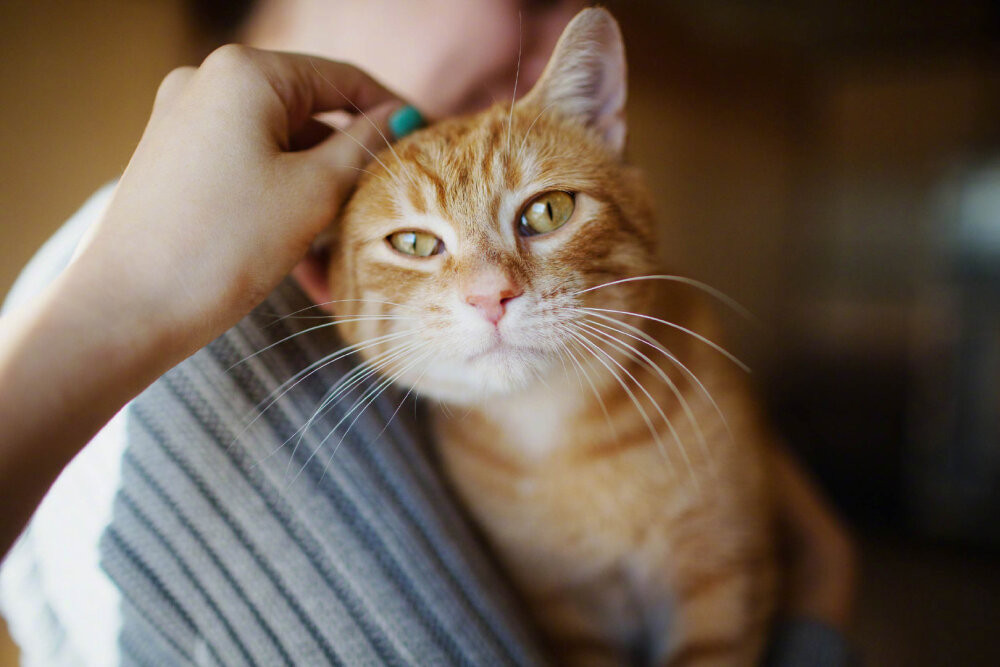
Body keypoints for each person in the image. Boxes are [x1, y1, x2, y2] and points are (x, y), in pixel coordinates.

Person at [0, 1, 856, 664]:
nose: (493, 289)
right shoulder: (202, 324)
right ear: (327, 268)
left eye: (542, 211)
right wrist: (820, 605)